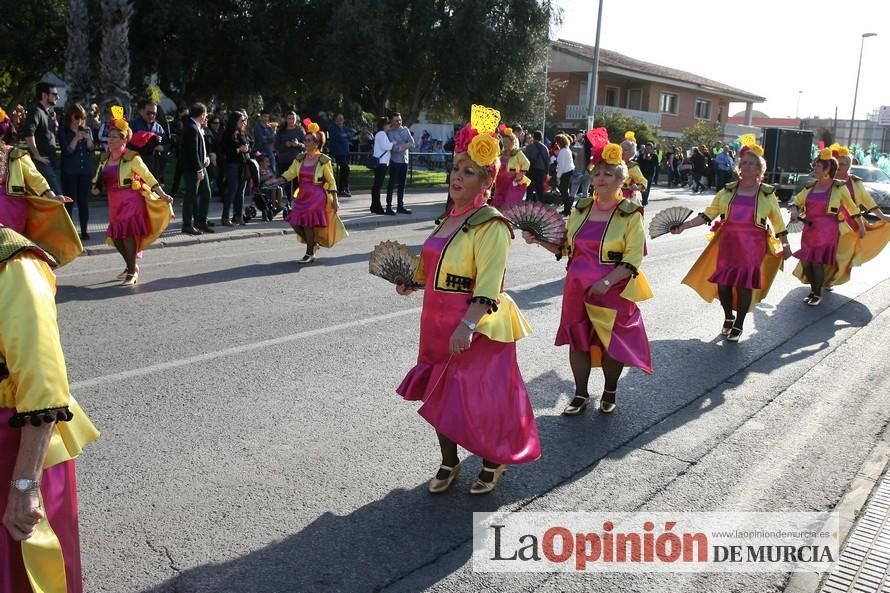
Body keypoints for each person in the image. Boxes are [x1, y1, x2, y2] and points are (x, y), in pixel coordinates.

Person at [396, 107, 540, 495]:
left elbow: (489, 284)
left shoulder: (491, 224)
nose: (457, 176)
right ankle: (449, 462)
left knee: (480, 400)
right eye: (456, 168)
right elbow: (434, 264)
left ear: (486, 180)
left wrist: (468, 324)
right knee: (438, 394)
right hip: (436, 319)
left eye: (468, 171)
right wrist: (412, 281)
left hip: (477, 324)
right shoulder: (448, 218)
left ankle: (493, 460)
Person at [0, 225, 100, 593]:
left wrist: (23, 487)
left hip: (13, 449)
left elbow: (43, 388)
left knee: (20, 572)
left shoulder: (14, 264)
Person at [524, 134, 652, 415]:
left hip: (613, 288)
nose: (601, 178)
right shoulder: (581, 209)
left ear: (621, 180)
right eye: (597, 173)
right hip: (577, 287)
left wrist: (607, 281)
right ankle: (580, 394)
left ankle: (609, 390)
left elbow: (633, 258)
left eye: (609, 173)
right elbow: (566, 248)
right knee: (578, 340)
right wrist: (538, 240)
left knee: (611, 341)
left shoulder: (631, 214)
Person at [672, 143, 792, 341]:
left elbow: (778, 223)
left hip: (753, 245)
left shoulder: (767, 194)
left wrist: (786, 247)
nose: (746, 166)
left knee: (744, 285)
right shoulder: (727, 191)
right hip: (728, 242)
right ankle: (728, 316)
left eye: (751, 164)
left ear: (760, 170)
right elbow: (708, 215)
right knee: (724, 284)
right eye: (743, 163)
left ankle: (739, 324)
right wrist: (684, 226)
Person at [91, 108, 173, 286]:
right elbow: (97, 178)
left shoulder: (132, 158)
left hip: (130, 200)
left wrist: (163, 194)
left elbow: (149, 177)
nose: (110, 139)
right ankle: (131, 266)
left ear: (123, 139)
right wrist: (95, 187)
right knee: (117, 237)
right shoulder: (105, 159)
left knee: (127, 235)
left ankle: (131, 271)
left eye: (114, 137)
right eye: (110, 136)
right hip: (114, 202)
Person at [1, 112, 82, 267]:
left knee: (8, 250)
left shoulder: (16, 155)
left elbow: (36, 179)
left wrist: (52, 196)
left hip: (10, 208)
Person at [789, 149, 862, 306]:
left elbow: (852, 208)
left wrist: (861, 227)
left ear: (827, 169)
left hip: (827, 230)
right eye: (815, 166)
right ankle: (814, 290)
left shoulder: (838, 188)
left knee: (816, 261)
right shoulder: (810, 186)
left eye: (817, 166)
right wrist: (794, 209)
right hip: (809, 229)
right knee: (807, 261)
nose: (814, 169)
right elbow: (797, 201)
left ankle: (817, 293)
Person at [269, 118, 347, 263]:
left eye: (310, 140)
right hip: (302, 194)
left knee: (308, 223)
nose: (306, 142)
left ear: (317, 143)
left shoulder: (324, 160)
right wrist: (279, 180)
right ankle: (313, 245)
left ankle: (309, 253)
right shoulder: (300, 158)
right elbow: (291, 173)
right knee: (293, 220)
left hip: (317, 195)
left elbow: (331, 181)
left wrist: (335, 200)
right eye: (305, 140)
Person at [832, 145, 890, 284]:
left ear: (849, 166)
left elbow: (869, 203)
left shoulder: (856, 183)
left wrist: (883, 217)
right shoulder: (827, 180)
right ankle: (821, 280)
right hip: (829, 223)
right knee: (826, 253)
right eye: (837, 163)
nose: (839, 166)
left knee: (844, 256)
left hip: (851, 225)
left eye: (843, 164)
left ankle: (832, 279)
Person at [57, 103, 95, 240]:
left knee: (84, 201)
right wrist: (76, 138)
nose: (79, 120)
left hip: (85, 171)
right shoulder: (63, 131)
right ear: (70, 116)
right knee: (70, 201)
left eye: (82, 117)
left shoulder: (87, 130)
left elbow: (91, 149)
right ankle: (69, 231)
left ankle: (84, 231)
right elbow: (67, 151)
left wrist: (88, 139)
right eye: (77, 116)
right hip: (69, 171)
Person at [179, 102, 214, 235]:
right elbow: (192, 152)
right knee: (191, 195)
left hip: (200, 165)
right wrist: (199, 169)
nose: (206, 117)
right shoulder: (191, 128)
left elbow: (199, 149)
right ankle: (187, 224)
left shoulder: (197, 126)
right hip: (193, 168)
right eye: (205, 114)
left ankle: (201, 221)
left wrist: (205, 158)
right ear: (201, 114)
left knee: (206, 193)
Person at [22, 82, 63, 195]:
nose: (58, 97)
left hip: (49, 160)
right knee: (56, 196)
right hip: (42, 162)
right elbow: (29, 133)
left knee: (55, 197)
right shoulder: (35, 110)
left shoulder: (46, 112)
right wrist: (37, 155)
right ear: (44, 95)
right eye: (54, 94)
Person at [220, 110, 251, 226]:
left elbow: (248, 146)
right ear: (235, 121)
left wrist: (247, 149)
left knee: (241, 191)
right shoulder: (227, 134)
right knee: (232, 190)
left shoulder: (242, 133)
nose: (244, 122)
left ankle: (238, 216)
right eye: (241, 120)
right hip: (232, 164)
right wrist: (239, 150)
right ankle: (225, 216)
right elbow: (225, 150)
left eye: (244, 120)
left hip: (242, 164)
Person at [490, 125, 530, 209]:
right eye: (504, 142)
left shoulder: (517, 153)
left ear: (512, 142)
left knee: (509, 201)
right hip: (500, 181)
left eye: (507, 142)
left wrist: (521, 174)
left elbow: (526, 163)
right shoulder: (501, 154)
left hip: (511, 181)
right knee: (498, 200)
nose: (505, 144)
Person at [128, 100, 169, 180]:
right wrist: (147, 144)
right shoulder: (132, 125)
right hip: (136, 164)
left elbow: (167, 144)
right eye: (149, 113)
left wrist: (162, 148)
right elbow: (127, 144)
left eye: (154, 114)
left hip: (154, 165)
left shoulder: (158, 127)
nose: (152, 116)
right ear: (141, 111)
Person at [385, 112, 415, 215]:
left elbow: (412, 143)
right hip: (395, 161)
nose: (398, 122)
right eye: (396, 120)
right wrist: (403, 146)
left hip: (404, 160)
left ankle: (400, 206)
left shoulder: (406, 130)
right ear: (392, 122)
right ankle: (388, 207)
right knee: (392, 184)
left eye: (400, 120)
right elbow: (392, 147)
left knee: (402, 184)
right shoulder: (390, 132)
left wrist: (402, 146)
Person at [274, 112, 304, 204]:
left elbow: (306, 145)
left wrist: (297, 144)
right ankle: (288, 202)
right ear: (286, 119)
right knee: (286, 182)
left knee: (296, 182)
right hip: (284, 160)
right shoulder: (281, 131)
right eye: (289, 118)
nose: (291, 121)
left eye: (293, 119)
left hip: (297, 161)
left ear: (296, 120)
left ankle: (296, 201)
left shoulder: (300, 131)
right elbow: (276, 145)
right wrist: (285, 145)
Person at [328, 113, 355, 198]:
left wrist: (345, 135)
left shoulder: (344, 128)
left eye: (342, 119)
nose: (341, 121)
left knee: (346, 169)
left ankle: (344, 188)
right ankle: (342, 189)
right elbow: (337, 137)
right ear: (335, 119)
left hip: (345, 151)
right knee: (345, 168)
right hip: (337, 152)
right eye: (339, 119)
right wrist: (345, 136)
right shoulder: (332, 127)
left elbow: (351, 136)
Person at [370, 116, 393, 215]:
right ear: (385, 125)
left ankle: (374, 206)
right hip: (382, 163)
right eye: (388, 124)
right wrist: (393, 143)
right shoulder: (382, 134)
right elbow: (386, 147)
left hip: (380, 162)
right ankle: (377, 207)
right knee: (377, 186)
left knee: (376, 186)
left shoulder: (379, 134)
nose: (390, 126)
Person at [620, 132, 647, 204]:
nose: (622, 151)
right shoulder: (613, 163)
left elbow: (643, 182)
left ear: (632, 153)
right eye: (620, 149)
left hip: (626, 199)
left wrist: (637, 187)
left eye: (625, 150)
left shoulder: (633, 167)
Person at [523, 130, 549, 202]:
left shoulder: (529, 147)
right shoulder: (545, 148)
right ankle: (540, 204)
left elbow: (526, 159)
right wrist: (546, 172)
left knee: (530, 188)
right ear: (541, 138)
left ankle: (528, 203)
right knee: (540, 189)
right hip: (541, 170)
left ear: (533, 137)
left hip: (531, 170)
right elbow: (547, 161)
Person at [554, 134, 575, 215]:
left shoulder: (562, 152)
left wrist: (558, 177)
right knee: (565, 192)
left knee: (564, 192)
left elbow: (561, 166)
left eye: (557, 142)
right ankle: (567, 209)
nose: (556, 144)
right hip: (569, 171)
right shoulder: (567, 149)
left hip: (565, 173)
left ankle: (567, 210)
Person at [569, 131, 591, 200]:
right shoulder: (592, 150)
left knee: (573, 193)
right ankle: (584, 208)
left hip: (578, 172)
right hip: (588, 173)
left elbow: (569, 147)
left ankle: (570, 208)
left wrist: (576, 139)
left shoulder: (580, 149)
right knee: (585, 192)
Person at [637, 142, 658, 206]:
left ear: (652, 149)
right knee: (642, 187)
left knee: (647, 188)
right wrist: (643, 159)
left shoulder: (654, 156)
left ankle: (645, 201)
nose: (648, 150)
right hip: (642, 174)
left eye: (650, 149)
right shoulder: (641, 155)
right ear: (645, 149)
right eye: (647, 148)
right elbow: (638, 163)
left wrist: (651, 160)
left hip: (650, 174)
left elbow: (656, 164)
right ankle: (644, 199)